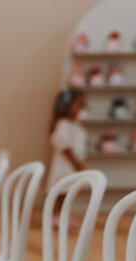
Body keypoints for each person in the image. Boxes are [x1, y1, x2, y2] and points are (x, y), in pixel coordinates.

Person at [47, 89, 87, 225]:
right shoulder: (63, 125)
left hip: (72, 165)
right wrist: (75, 162)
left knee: (68, 192)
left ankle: (63, 215)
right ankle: (55, 215)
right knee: (61, 191)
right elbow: (63, 143)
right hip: (65, 165)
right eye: (79, 104)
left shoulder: (75, 126)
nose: (81, 109)